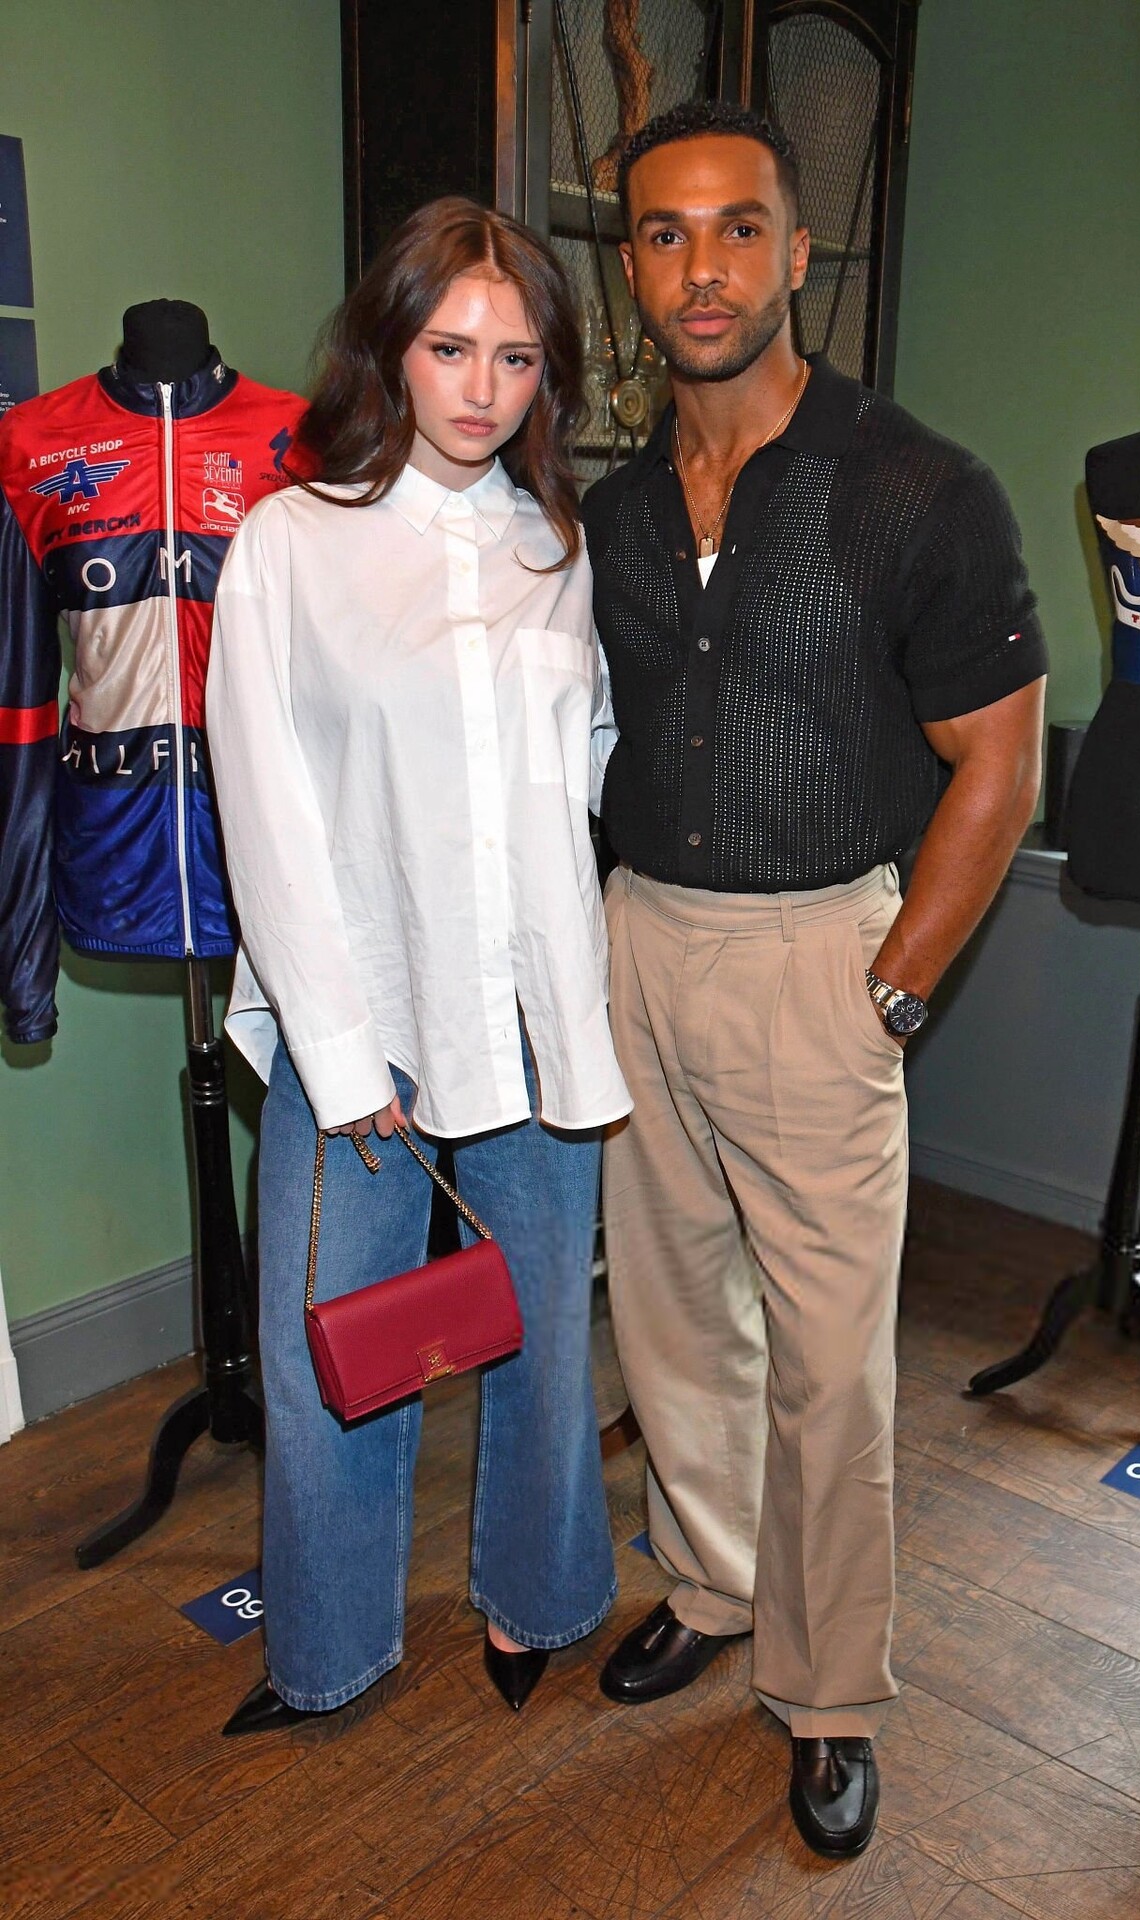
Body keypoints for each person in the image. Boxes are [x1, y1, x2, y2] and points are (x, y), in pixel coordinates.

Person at [583, 102, 1048, 1857]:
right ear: (632, 269)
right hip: (642, 939)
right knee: (674, 1323)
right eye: (665, 234)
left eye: (737, 230)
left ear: (796, 252)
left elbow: (1000, 767)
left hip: (818, 960)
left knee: (830, 1368)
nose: (701, 269)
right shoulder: (615, 507)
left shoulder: (917, 487)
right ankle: (710, 1585)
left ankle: (832, 1691)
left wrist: (894, 989)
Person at [205, 196, 632, 1737]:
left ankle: (542, 1597)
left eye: (517, 359)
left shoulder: (557, 549)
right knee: (329, 1352)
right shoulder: (292, 544)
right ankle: (327, 1650)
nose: (482, 389)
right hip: (364, 1026)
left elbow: (589, 762)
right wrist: (337, 1046)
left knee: (545, 1334)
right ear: (390, 348)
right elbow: (265, 809)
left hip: (531, 1019)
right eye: (451, 349)